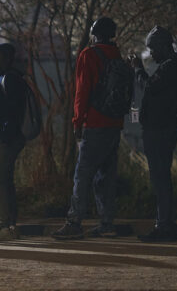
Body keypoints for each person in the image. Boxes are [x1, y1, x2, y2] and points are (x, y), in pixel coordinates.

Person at [52, 18, 126, 240]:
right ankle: (107, 223)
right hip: (114, 123)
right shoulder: (116, 55)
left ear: (94, 33)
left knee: (82, 174)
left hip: (94, 123)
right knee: (106, 175)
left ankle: (74, 222)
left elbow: (82, 91)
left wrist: (77, 121)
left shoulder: (89, 54)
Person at [133, 25, 177, 242]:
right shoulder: (174, 65)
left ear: (164, 47)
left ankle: (164, 225)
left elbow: (149, 87)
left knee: (160, 179)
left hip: (160, 128)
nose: (151, 54)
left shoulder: (169, 67)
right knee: (161, 177)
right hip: (164, 126)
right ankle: (166, 224)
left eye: (153, 49)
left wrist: (137, 69)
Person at [0, 42, 27, 242]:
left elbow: (15, 110)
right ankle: (10, 226)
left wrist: (4, 134)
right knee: (4, 181)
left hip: (5, 139)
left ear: (8, 58)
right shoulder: (2, 78)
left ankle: (5, 226)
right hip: (0, 138)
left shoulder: (10, 79)